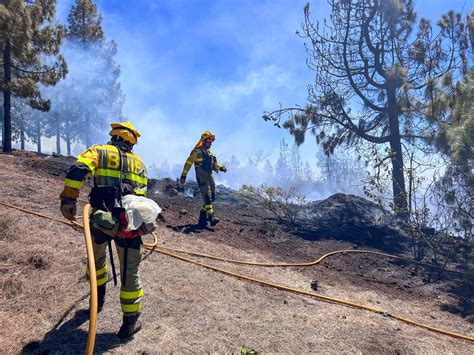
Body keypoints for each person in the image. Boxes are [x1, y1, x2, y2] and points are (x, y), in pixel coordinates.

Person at [59, 121, 150, 339]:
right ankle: (129, 324)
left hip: (101, 221)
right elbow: (141, 199)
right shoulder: (141, 164)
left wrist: (69, 199)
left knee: (96, 263)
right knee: (130, 274)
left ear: (114, 137)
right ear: (132, 142)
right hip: (130, 225)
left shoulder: (99, 151)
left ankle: (96, 302)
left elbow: (78, 169)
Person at [180, 131, 227, 227]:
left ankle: (203, 214)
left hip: (210, 176)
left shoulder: (210, 153)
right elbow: (188, 163)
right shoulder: (196, 152)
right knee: (206, 197)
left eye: (211, 142)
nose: (210, 144)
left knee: (212, 197)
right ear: (204, 141)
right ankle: (211, 218)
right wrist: (183, 176)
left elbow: (213, 164)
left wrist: (221, 167)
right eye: (209, 142)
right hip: (201, 177)